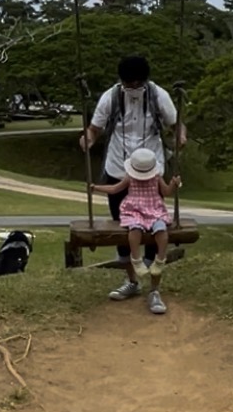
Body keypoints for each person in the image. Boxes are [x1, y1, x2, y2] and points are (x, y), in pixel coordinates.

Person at [80, 54, 187, 302]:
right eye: (129, 84)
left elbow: (176, 123)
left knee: (153, 228)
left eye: (138, 84)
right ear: (122, 81)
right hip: (119, 166)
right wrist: (89, 138)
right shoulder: (112, 96)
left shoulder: (159, 95)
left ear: (145, 81)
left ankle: (154, 287)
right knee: (125, 228)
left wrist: (180, 136)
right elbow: (95, 128)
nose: (133, 88)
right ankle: (131, 281)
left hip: (151, 169)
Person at [111, 148, 182, 315]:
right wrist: (96, 188)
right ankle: (136, 262)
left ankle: (160, 262)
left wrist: (173, 183)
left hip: (154, 210)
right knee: (134, 230)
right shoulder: (130, 178)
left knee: (161, 231)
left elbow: (165, 192)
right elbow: (115, 189)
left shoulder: (156, 177)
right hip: (135, 211)